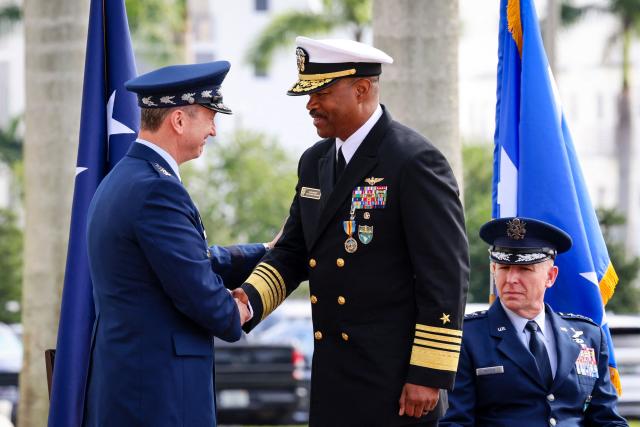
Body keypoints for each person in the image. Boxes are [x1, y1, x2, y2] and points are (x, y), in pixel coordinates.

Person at [232, 37, 469, 426]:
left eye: (321, 92)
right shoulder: (315, 161)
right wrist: (247, 301)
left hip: (396, 383)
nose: (310, 105)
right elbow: (293, 251)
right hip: (332, 377)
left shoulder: (413, 160)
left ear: (361, 90)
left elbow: (445, 274)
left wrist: (428, 374)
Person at [83, 61, 275, 426]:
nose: (215, 131)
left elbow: (188, 261)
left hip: (134, 388)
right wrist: (243, 306)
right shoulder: (159, 189)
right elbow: (200, 294)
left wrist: (266, 252)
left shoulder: (123, 179)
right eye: (209, 117)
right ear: (179, 120)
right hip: (158, 398)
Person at [440, 217, 628, 427]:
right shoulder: (468, 337)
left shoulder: (588, 336)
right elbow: (455, 422)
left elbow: (606, 418)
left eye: (524, 269)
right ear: (494, 271)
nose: (511, 279)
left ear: (551, 276)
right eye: (503, 268)